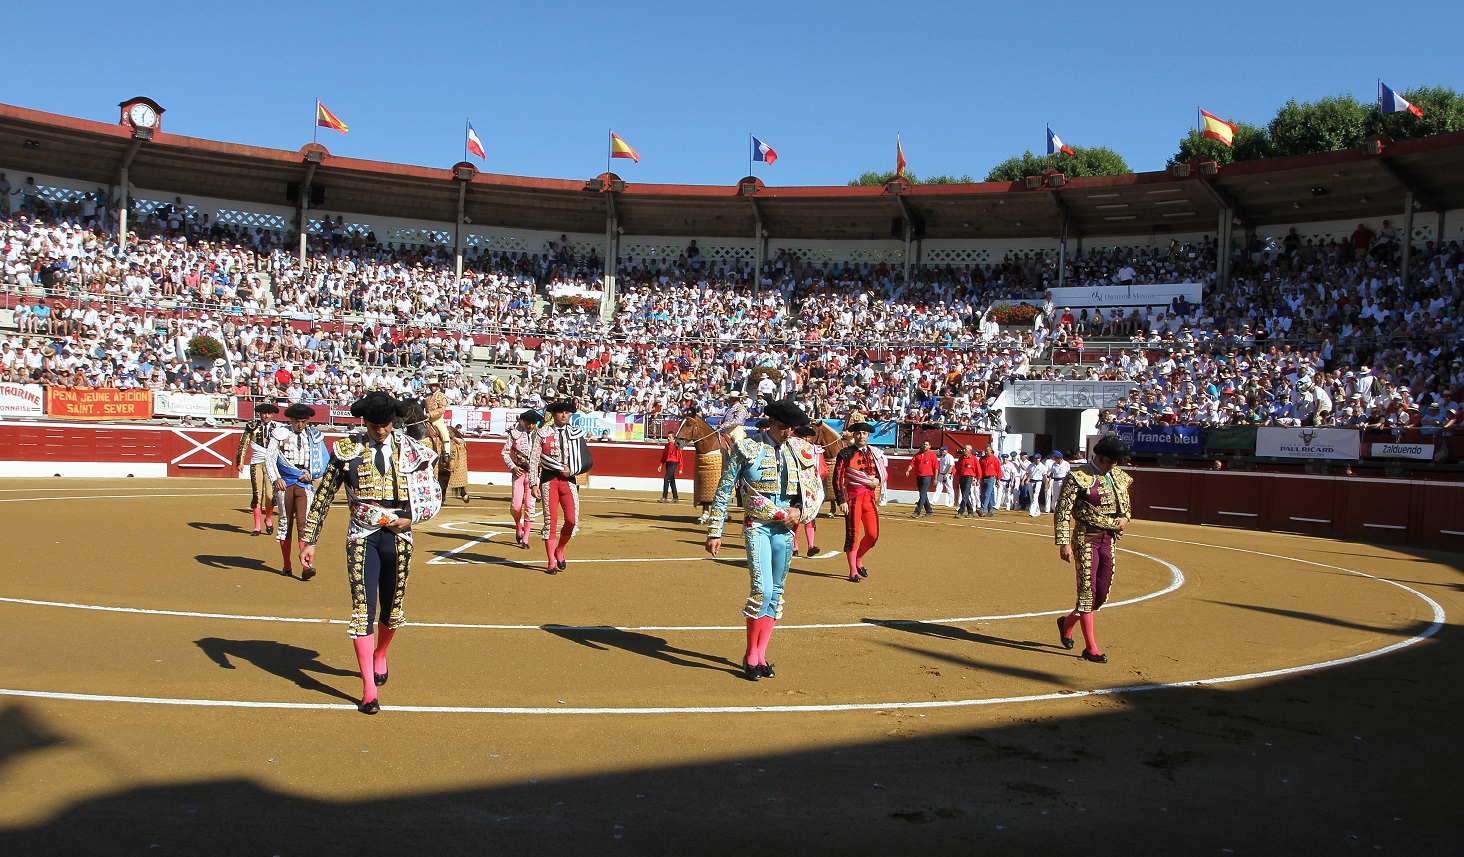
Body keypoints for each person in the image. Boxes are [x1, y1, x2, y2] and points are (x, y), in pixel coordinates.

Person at [300, 391, 443, 714]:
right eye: (375, 424)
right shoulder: (347, 450)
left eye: (386, 424)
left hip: (398, 534)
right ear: (364, 421)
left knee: (392, 609)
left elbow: (431, 493)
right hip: (362, 535)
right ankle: (368, 689)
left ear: (393, 422)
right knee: (362, 608)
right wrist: (309, 540)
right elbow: (323, 497)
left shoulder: (412, 450)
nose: (381, 430)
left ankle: (380, 654)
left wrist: (413, 518)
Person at [706, 399, 825, 680]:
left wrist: (801, 512)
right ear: (770, 421)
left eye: (792, 429)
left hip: (785, 528)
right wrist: (715, 530)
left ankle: (762, 655)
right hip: (757, 525)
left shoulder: (802, 449)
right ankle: (750, 656)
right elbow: (724, 489)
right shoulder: (746, 448)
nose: (788, 433)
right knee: (762, 591)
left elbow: (814, 490)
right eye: (784, 427)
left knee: (776, 593)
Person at [1053, 434, 1134, 664]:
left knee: (1100, 594)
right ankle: (1091, 648)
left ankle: (1067, 623)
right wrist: (1064, 543)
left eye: (1115, 462)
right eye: (1109, 461)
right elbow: (1062, 512)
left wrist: (1125, 518)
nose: (1112, 466)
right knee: (1087, 592)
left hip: (1108, 538)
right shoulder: (1078, 477)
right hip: (1085, 537)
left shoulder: (1116, 475)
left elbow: (1125, 505)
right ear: (1098, 456)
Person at [266, 403, 329, 578]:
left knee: (305, 524)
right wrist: (275, 478)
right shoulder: (280, 434)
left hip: (304, 483)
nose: (300, 425)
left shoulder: (314, 437)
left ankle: (306, 566)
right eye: (297, 421)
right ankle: (287, 565)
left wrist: (311, 474)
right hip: (285, 483)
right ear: (291, 420)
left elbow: (323, 462)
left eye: (303, 421)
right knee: (286, 524)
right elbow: (269, 458)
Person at [528, 399, 591, 574]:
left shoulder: (575, 433)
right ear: (554, 414)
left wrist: (574, 470)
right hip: (549, 481)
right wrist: (534, 483)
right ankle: (550, 562)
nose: (564, 415)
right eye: (560, 412)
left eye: (567, 412)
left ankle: (560, 550)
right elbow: (534, 460)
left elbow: (583, 458)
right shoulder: (542, 433)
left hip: (568, 480)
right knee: (551, 522)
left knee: (572, 520)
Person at [832, 421, 885, 581]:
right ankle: (853, 571)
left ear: (868, 436)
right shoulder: (845, 453)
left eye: (864, 433)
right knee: (852, 534)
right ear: (854, 436)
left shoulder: (875, 453)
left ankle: (858, 559)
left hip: (869, 498)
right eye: (858, 433)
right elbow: (837, 478)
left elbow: (881, 474)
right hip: (853, 499)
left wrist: (877, 481)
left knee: (873, 534)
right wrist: (841, 500)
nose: (861, 436)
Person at [235, 402, 278, 536]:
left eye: (269, 413)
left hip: (271, 465)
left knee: (270, 496)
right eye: (264, 413)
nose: (266, 416)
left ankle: (269, 518)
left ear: (272, 415)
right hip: (256, 464)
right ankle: (257, 526)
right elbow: (244, 444)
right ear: (259, 414)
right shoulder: (251, 427)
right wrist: (240, 462)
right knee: (257, 494)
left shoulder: (278, 428)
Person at [501, 408, 542, 548]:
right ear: (523, 421)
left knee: (530, 506)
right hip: (519, 473)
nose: (531, 425)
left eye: (533, 423)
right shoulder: (515, 434)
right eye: (528, 422)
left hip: (533, 474)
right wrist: (513, 467)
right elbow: (505, 453)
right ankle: (519, 526)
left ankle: (526, 538)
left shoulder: (540, 435)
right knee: (516, 506)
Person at [790, 424, 828, 557]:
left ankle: (806, 546)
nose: (805, 440)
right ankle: (797, 546)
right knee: (800, 515)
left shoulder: (813, 451)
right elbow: (823, 470)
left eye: (807, 437)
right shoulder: (809, 450)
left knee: (806, 515)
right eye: (803, 437)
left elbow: (822, 469)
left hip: (805, 486)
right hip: (800, 487)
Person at [906, 440, 938, 517]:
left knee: (922, 494)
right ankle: (929, 511)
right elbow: (912, 463)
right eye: (924, 444)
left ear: (930, 446)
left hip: (927, 476)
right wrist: (908, 470)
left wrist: (935, 478)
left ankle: (917, 511)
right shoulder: (918, 455)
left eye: (926, 445)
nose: (925, 446)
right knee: (923, 494)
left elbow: (936, 467)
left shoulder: (932, 455)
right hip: (919, 476)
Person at [953, 446, 978, 518]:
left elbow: (978, 468)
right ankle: (970, 511)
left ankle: (961, 511)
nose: (964, 450)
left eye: (965, 449)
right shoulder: (962, 458)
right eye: (964, 449)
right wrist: (953, 472)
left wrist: (978, 478)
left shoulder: (973, 458)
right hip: (962, 477)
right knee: (964, 494)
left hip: (969, 477)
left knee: (965, 495)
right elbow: (957, 466)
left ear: (970, 450)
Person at [979, 446, 1003, 517]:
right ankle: (991, 511)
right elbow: (980, 469)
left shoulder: (995, 459)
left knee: (987, 494)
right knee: (985, 494)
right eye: (985, 451)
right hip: (983, 477)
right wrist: (979, 478)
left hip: (991, 478)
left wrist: (998, 480)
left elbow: (998, 470)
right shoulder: (982, 459)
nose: (986, 452)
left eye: (987, 451)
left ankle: (982, 509)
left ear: (991, 451)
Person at [657, 435, 683, 502]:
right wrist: (660, 465)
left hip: (673, 464)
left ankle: (664, 497)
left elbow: (680, 457)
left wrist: (680, 468)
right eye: (668, 437)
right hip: (668, 464)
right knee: (671, 480)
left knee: (666, 478)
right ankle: (675, 497)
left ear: (673, 438)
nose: (668, 438)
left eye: (669, 437)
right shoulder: (666, 446)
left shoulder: (676, 446)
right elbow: (664, 456)